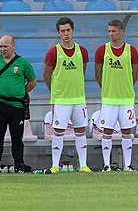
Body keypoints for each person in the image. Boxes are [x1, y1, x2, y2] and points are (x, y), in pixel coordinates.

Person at [0, 35, 36, 173]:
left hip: (16, 106)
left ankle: (19, 164)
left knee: (17, 137)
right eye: (0, 46)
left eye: (5, 46)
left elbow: (32, 81)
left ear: (13, 46)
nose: (3, 49)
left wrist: (20, 92)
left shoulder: (23, 62)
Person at [44, 17, 91, 173]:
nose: (66, 34)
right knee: (58, 131)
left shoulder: (81, 51)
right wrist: (56, 92)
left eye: (68, 30)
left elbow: (82, 70)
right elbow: (46, 75)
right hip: (61, 99)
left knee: (80, 131)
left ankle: (83, 165)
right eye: (62, 31)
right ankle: (55, 165)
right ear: (58, 33)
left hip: (78, 98)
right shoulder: (53, 52)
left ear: (73, 31)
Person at [95, 20, 138, 172]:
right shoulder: (102, 50)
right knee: (107, 131)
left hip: (126, 98)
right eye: (109, 31)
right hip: (109, 98)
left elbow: (134, 73)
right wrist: (107, 87)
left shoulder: (131, 50)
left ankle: (127, 164)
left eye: (114, 31)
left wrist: (125, 87)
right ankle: (106, 164)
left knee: (127, 131)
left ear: (121, 31)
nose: (111, 34)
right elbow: (98, 73)